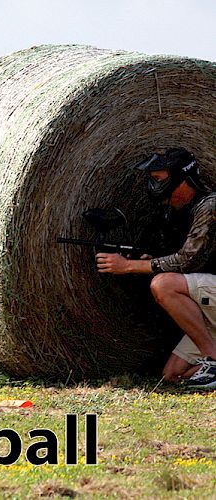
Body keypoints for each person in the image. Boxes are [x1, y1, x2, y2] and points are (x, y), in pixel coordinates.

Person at [96, 148, 216, 390]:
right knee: (172, 374)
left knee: (163, 284)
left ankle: (213, 358)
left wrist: (130, 266)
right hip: (210, 302)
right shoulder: (174, 213)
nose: (153, 186)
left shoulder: (210, 206)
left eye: (159, 179)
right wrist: (151, 258)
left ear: (181, 180)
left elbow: (188, 260)